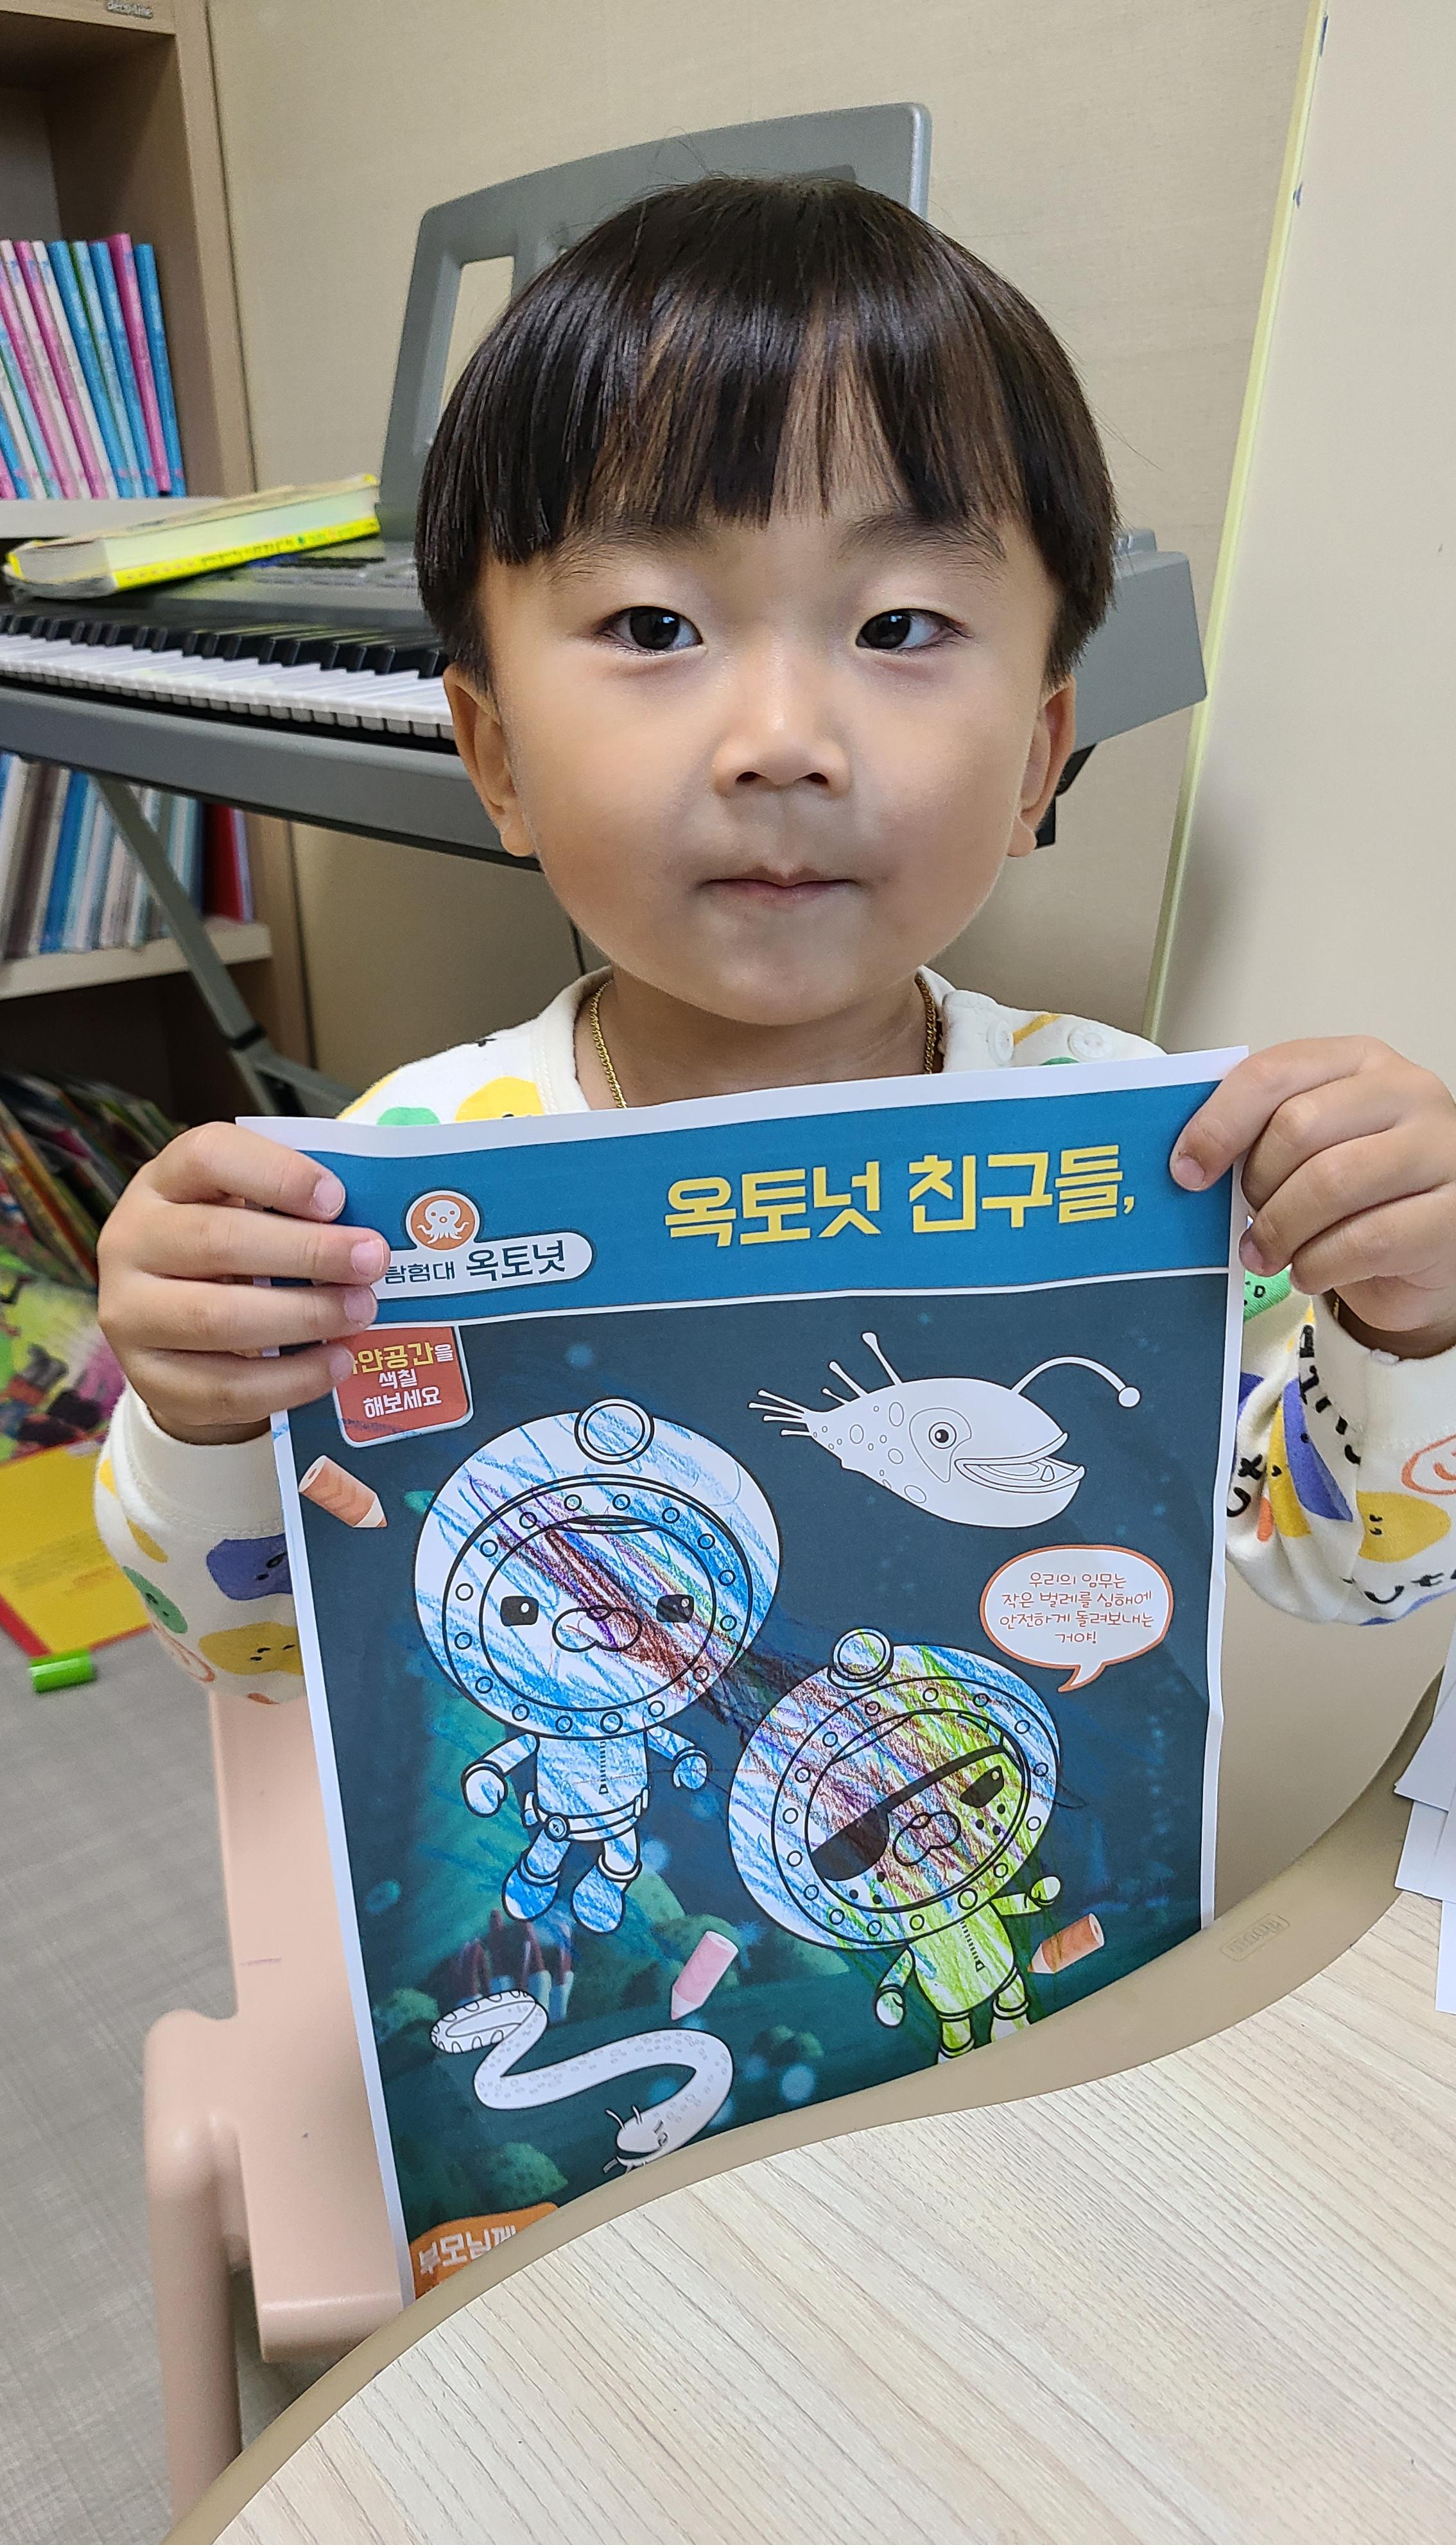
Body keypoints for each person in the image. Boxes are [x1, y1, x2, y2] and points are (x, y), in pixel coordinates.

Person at [93, 175, 1456, 1696]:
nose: (784, 742)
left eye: (899, 628)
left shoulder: (1137, 1145)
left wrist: (1412, 1319)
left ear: (1037, 760)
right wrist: (203, 1416)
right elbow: (265, 1659)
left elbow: (1336, 1565)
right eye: (655, 628)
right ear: (497, 757)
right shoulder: (406, 1179)